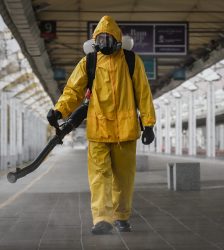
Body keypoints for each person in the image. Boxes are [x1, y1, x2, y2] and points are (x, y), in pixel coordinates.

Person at [47, 15, 156, 234]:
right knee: (99, 177)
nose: (105, 43)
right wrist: (59, 110)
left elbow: (143, 94)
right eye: (101, 39)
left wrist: (149, 124)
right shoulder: (89, 62)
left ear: (117, 39)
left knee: (124, 179)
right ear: (96, 41)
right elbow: (73, 90)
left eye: (109, 39)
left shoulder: (132, 61)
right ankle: (102, 219)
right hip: (98, 130)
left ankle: (121, 217)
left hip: (125, 132)